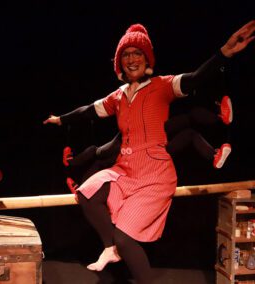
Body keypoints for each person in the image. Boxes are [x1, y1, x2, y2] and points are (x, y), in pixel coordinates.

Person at [44, 21, 255, 283]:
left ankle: (125, 257)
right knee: (87, 193)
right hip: (124, 168)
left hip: (154, 171)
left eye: (138, 53)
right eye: (126, 55)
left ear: (147, 58)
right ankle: (110, 248)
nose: (132, 60)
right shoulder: (118, 96)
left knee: (125, 237)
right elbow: (88, 110)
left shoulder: (162, 86)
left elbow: (195, 78)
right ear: (119, 63)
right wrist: (60, 120)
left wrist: (224, 52)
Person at [64, 97, 233, 193]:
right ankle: (76, 174)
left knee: (189, 129)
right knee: (98, 155)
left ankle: (214, 151)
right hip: (147, 150)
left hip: (153, 143)